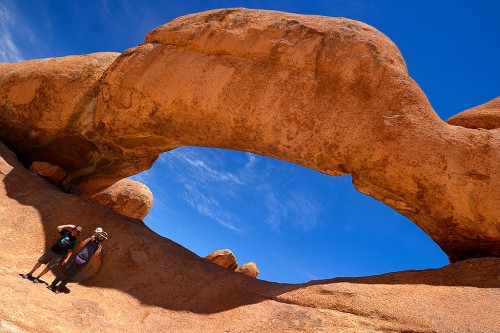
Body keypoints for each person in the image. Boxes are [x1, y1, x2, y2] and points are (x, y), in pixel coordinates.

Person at [48, 227, 108, 293]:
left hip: (84, 262)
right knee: (64, 271)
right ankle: (53, 284)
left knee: (70, 275)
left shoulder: (100, 246)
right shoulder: (91, 240)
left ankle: (59, 288)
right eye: (100, 236)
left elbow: (96, 255)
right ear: (98, 235)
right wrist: (91, 238)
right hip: (77, 257)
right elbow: (81, 245)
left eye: (102, 238)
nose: (101, 238)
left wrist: (99, 245)